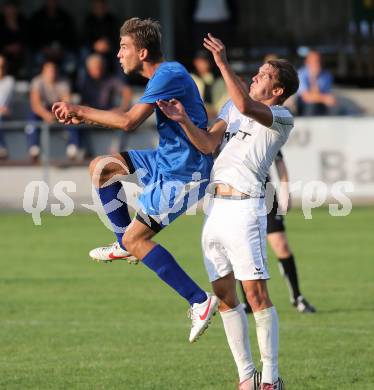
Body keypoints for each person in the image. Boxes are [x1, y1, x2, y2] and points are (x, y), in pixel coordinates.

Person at [52, 18, 218, 343]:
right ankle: (124, 242)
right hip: (166, 159)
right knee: (102, 168)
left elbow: (128, 122)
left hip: (184, 171)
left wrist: (80, 111)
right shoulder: (165, 75)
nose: (118, 54)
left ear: (142, 52)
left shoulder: (168, 74)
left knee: (138, 240)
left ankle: (199, 300)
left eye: (123, 47)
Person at [157, 33, 299, 389]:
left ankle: (271, 377)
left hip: (246, 209)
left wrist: (222, 62)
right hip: (215, 209)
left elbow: (249, 107)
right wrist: (183, 120)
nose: (255, 77)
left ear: (278, 90)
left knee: (256, 294)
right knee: (224, 296)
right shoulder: (231, 107)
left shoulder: (280, 117)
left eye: (264, 75)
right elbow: (208, 143)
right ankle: (246, 377)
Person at [240, 151, 316, 314]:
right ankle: (247, 301)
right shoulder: (227, 128)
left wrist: (285, 190)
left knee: (281, 245)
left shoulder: (263, 129)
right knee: (242, 249)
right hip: (238, 198)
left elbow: (279, 160)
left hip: (265, 195)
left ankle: (297, 297)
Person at [25, 60, 79, 161]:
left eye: (53, 70)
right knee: (31, 117)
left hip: (58, 109)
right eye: (49, 71)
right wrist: (46, 115)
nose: (51, 73)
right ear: (43, 72)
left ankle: (73, 147)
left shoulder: (63, 82)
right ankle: (33, 148)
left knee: (72, 116)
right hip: (42, 111)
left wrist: (57, 114)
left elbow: (67, 102)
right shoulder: (37, 81)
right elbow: (35, 105)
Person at [191, 50, 228, 120]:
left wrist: (216, 112)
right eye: (201, 61)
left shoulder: (220, 81)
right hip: (194, 118)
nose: (204, 64)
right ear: (195, 62)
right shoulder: (190, 79)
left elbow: (224, 102)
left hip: (216, 118)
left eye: (206, 60)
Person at [297, 50, 336, 116]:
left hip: (320, 103)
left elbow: (327, 94)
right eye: (314, 61)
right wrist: (313, 78)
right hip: (304, 105)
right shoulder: (301, 74)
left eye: (319, 61)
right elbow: (306, 97)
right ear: (307, 63)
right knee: (311, 104)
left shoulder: (326, 75)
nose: (318, 64)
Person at [0, 55, 15, 159]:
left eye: (2, 66)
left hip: (5, 115)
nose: (0, 69)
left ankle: (1, 148)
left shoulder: (9, 81)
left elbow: (3, 103)